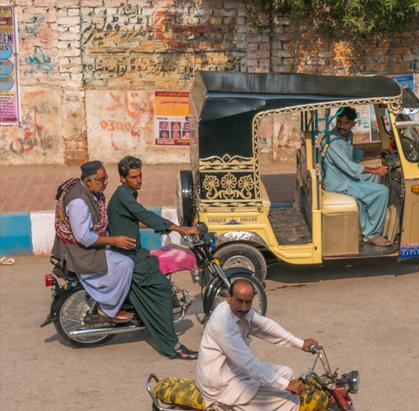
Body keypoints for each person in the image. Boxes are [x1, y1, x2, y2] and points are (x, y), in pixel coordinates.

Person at [107, 155, 199, 360]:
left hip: (134, 254)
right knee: (163, 290)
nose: (138, 180)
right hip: (130, 257)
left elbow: (136, 219)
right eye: (133, 177)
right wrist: (178, 228)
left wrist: (162, 227)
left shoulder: (126, 194)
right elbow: (142, 214)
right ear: (123, 178)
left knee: (157, 266)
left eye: (140, 175)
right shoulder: (124, 195)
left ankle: (146, 317)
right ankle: (172, 344)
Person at [196, 279, 318, 410]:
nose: (244, 307)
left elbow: (266, 326)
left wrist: (300, 343)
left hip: (237, 373)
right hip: (221, 385)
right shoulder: (223, 324)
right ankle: (223, 406)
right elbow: (248, 363)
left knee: (286, 372)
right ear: (229, 297)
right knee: (291, 400)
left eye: (248, 302)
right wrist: (286, 385)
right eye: (239, 301)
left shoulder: (241, 311)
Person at [52, 161, 135, 322]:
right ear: (89, 181)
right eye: (102, 180)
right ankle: (109, 308)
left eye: (106, 178)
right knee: (126, 264)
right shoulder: (79, 203)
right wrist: (114, 241)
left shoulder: (85, 189)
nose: (106, 183)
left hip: (82, 246)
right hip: (80, 253)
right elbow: (84, 237)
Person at [321, 106, 391, 247]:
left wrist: (375, 153)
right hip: (338, 183)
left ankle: (365, 218)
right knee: (383, 191)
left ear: (353, 123)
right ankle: (371, 234)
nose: (341, 126)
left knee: (372, 179)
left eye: (346, 123)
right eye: (339, 122)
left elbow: (349, 156)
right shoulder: (332, 140)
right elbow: (349, 167)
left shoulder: (348, 135)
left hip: (345, 176)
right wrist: (375, 170)